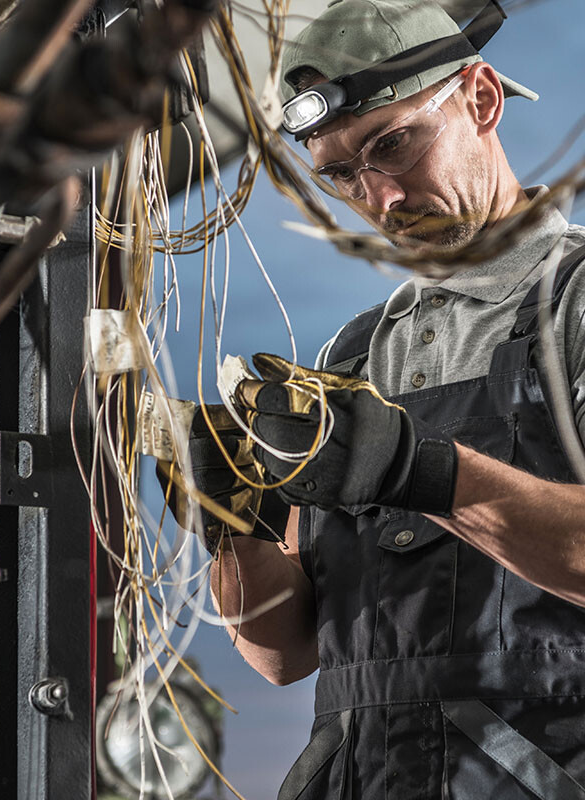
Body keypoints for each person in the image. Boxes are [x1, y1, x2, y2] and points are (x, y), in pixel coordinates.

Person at [159, 0, 585, 797]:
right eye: (343, 175)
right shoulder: (350, 356)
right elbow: (283, 654)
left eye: (393, 145)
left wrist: (425, 474)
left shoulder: (575, 303)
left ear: (481, 99)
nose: (381, 200)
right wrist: (230, 526)